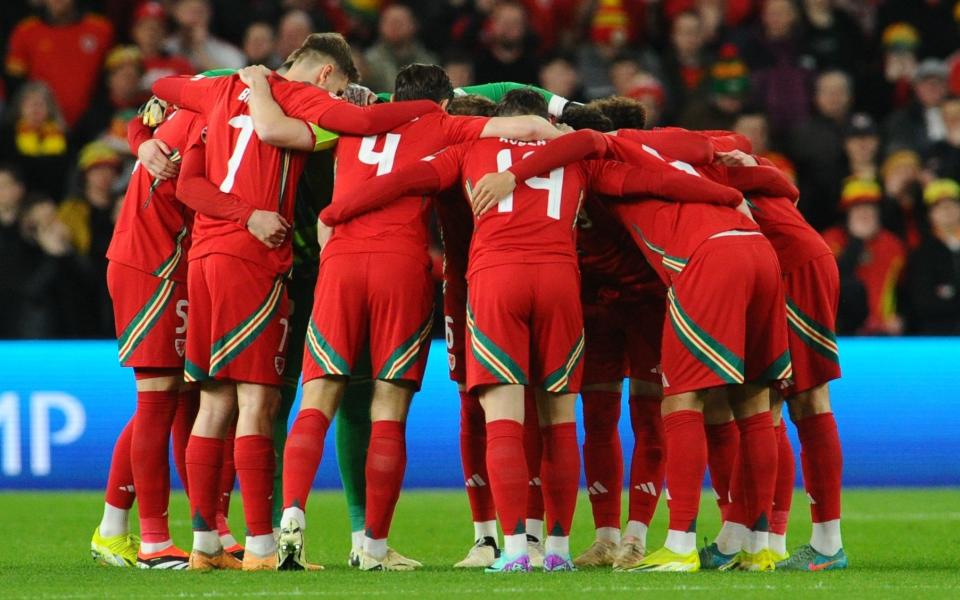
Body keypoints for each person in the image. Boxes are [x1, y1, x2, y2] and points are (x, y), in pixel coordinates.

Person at [320, 90, 746, 572]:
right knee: (559, 419)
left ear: (499, 121)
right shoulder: (579, 158)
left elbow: (402, 180)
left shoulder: (468, 148)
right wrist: (728, 196)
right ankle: (560, 552)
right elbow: (653, 179)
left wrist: (335, 213)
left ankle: (518, 549)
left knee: (504, 416)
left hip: (497, 279)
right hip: (561, 282)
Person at [151, 33, 440, 571]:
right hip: (255, 259)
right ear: (329, 76)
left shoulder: (218, 92)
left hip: (206, 256)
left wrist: (145, 129)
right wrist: (427, 109)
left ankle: (205, 544)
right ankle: (264, 547)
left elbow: (165, 88)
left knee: (214, 403)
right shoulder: (305, 99)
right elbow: (366, 124)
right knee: (260, 404)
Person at [255, 65, 557, 572]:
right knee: (388, 408)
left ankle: (292, 516)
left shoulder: (351, 121)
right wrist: (560, 131)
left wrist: (256, 82)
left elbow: (279, 128)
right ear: (440, 102)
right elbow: (526, 128)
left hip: (341, 262)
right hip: (400, 266)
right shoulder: (441, 124)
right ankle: (372, 548)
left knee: (318, 396)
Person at [475, 124, 795, 573]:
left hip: (706, 258)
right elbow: (734, 154)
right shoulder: (671, 147)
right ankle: (759, 544)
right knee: (755, 404)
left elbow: (605, 152)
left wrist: (517, 172)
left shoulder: (609, 164)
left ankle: (681, 543)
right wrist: (734, 185)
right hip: (756, 248)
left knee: (682, 401)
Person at [5, 0, 114, 127]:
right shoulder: (25, 31)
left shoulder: (101, 29)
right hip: (38, 129)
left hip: (93, 126)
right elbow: (15, 85)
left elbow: (112, 81)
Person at [823, 179, 906, 335]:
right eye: (857, 208)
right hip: (841, 332)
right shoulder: (830, 240)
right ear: (847, 213)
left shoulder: (893, 245)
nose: (864, 213)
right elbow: (832, 283)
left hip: (884, 332)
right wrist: (856, 243)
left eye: (870, 207)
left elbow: (905, 287)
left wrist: (902, 316)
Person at [789, 70, 854, 230]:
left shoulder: (864, 129)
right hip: (815, 219)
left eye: (839, 91)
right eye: (827, 91)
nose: (834, 97)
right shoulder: (800, 135)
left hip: (855, 209)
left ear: (850, 96)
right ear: (815, 97)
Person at [904, 179, 960, 334]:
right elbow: (923, 304)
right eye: (939, 207)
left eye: (952, 204)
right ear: (930, 214)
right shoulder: (921, 255)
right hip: (938, 338)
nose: (947, 210)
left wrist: (950, 296)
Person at [0, 82, 70, 202]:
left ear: (50, 108)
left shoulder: (64, 137)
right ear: (19, 107)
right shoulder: (6, 135)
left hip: (53, 201)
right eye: (29, 102)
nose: (35, 107)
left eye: (41, 103)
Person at [363, 4, 437, 93]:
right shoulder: (367, 62)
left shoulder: (428, 62)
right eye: (389, 22)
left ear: (414, 25)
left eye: (399, 22)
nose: (394, 27)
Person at [883, 58, 949, 156]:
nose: (933, 88)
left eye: (939, 82)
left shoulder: (955, 115)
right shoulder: (901, 120)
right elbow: (898, 154)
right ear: (916, 87)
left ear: (946, 87)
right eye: (927, 83)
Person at [165, 0, 245, 72]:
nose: (194, 18)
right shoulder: (164, 46)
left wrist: (199, 50)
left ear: (209, 14)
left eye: (199, 12)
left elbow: (231, 79)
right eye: (189, 12)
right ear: (176, 13)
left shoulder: (228, 53)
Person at [473, 2, 541, 85]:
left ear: (524, 27)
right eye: (503, 22)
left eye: (515, 23)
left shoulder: (536, 69)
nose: (508, 27)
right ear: (493, 24)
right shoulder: (476, 66)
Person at [131, 2, 194, 91]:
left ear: (165, 33)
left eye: (157, 28)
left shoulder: (180, 65)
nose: (151, 33)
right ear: (135, 31)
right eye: (146, 27)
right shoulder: (125, 63)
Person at [844, 112, 880, 181]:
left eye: (868, 137)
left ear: (877, 141)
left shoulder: (888, 177)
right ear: (845, 144)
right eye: (855, 138)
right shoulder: (832, 179)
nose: (862, 144)